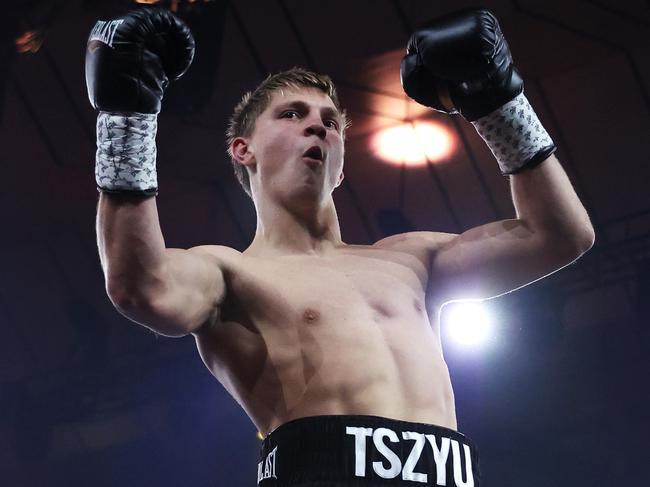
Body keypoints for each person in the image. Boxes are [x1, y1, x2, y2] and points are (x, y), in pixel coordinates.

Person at [88, 6, 594, 486]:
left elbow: (559, 235)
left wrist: (498, 102)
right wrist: (125, 121)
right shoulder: (228, 273)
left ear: (342, 166)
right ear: (243, 150)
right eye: (291, 114)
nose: (318, 126)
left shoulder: (411, 259)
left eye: (330, 121)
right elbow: (142, 287)